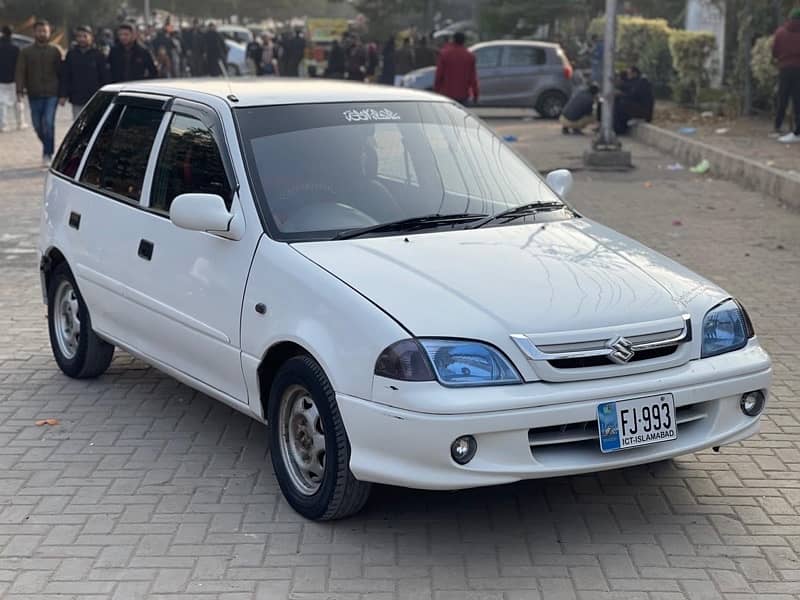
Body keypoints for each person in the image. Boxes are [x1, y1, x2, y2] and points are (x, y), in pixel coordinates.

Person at [15, 20, 61, 165]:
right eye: (39, 31)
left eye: (45, 31)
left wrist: (64, 92)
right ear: (34, 32)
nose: (42, 33)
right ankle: (48, 146)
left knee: (48, 123)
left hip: (52, 93)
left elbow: (62, 72)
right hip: (34, 93)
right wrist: (19, 89)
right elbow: (20, 71)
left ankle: (48, 154)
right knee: (37, 125)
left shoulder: (55, 50)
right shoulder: (26, 52)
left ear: (49, 33)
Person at [59, 26, 109, 120]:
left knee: (94, 123)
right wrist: (63, 94)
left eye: (85, 36)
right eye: (79, 36)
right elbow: (66, 75)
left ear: (91, 37)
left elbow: (105, 77)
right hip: (77, 97)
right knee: (79, 125)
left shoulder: (98, 55)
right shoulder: (71, 54)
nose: (81, 39)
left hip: (95, 97)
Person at [772, 8, 800, 143]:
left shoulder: (780, 31)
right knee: (798, 100)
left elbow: (775, 51)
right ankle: (798, 131)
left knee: (782, 98)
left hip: (784, 68)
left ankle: (777, 126)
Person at [434, 32, 479, 105]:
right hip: (463, 93)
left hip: (447, 93)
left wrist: (436, 91)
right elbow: (473, 78)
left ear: (453, 40)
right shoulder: (469, 56)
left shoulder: (445, 54)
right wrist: (475, 94)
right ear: (464, 41)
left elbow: (439, 75)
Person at [0, 25, 27, 132]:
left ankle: (3, 125)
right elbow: (20, 66)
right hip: (14, 80)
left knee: (1, 103)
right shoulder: (16, 48)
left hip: (0, 79)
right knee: (18, 102)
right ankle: (20, 123)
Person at [612, 66, 653, 134]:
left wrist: (621, 94)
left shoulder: (642, 82)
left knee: (622, 103)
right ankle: (615, 126)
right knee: (616, 101)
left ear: (635, 73)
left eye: (629, 73)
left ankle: (620, 128)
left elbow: (633, 95)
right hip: (637, 106)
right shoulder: (633, 81)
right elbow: (626, 88)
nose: (627, 75)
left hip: (643, 110)